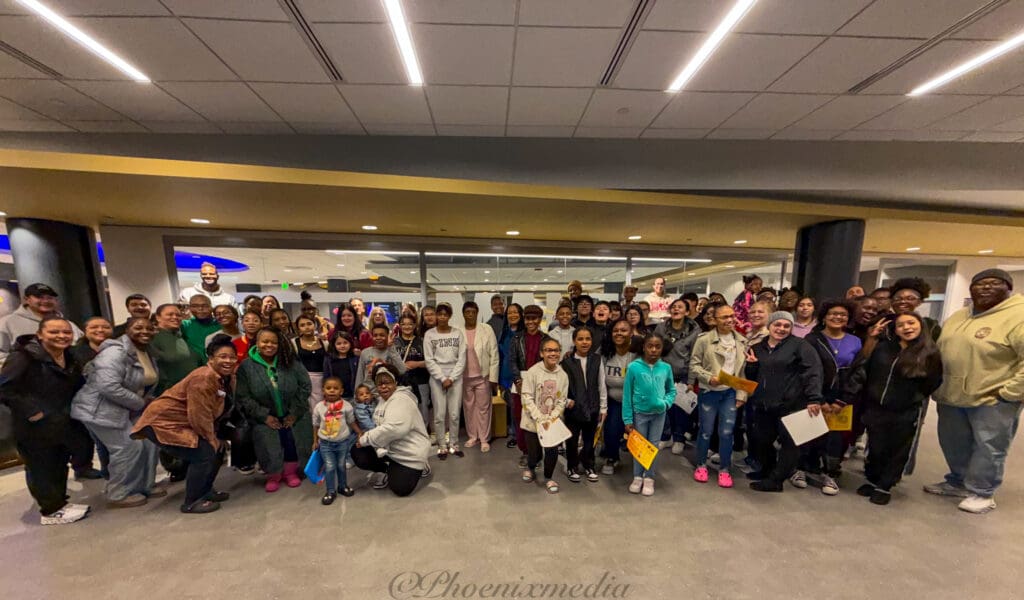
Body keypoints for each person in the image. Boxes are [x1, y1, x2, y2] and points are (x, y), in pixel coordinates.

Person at [926, 269, 1024, 514]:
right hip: (952, 394)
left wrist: (1010, 392)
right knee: (954, 443)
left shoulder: (1018, 316)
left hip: (992, 398)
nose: (986, 288)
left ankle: (983, 492)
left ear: (1008, 288)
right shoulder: (960, 315)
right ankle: (958, 481)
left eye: (994, 283)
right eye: (979, 284)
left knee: (989, 446)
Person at [0, 316, 94, 525]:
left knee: (58, 463)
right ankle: (50, 510)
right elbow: (5, 388)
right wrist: (32, 410)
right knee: (41, 467)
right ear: (40, 334)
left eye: (66, 332)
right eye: (54, 332)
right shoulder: (23, 357)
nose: (61, 336)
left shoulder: (69, 356)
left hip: (61, 422)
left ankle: (60, 503)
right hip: (33, 426)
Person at [131, 334, 239, 514]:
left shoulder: (226, 377)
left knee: (216, 451)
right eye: (222, 357)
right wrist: (211, 437)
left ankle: (205, 491)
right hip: (164, 423)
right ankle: (192, 501)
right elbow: (199, 413)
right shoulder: (203, 377)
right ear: (211, 359)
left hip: (186, 423)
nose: (228, 361)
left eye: (231, 357)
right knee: (204, 454)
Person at [846, 313, 941, 506]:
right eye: (900, 325)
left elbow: (933, 381)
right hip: (876, 407)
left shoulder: (929, 352)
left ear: (920, 325)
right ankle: (873, 480)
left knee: (898, 449)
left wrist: (912, 399)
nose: (906, 328)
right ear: (895, 330)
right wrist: (872, 338)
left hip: (904, 410)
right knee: (876, 446)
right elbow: (864, 367)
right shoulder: (883, 348)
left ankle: (885, 485)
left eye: (911, 323)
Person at [71, 317, 161, 508]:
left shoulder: (146, 352)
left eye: (149, 328)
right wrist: (139, 402)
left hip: (128, 409)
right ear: (126, 330)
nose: (144, 331)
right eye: (138, 327)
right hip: (100, 410)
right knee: (127, 448)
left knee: (149, 443)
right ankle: (119, 493)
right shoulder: (115, 352)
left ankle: (144, 486)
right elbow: (108, 386)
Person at [745, 311, 823, 493]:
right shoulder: (758, 348)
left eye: (786, 326)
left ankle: (776, 480)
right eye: (777, 325)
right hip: (764, 403)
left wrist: (814, 398)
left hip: (791, 404)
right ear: (769, 326)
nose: (781, 329)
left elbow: (813, 371)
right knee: (761, 440)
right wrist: (751, 366)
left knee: (790, 445)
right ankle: (768, 470)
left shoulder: (800, 346)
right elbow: (753, 377)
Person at [235, 327, 313, 493]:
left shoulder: (289, 361)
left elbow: (305, 386)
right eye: (265, 341)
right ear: (257, 343)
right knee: (269, 446)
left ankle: (291, 473)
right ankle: (274, 475)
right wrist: (264, 416)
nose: (269, 345)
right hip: (264, 416)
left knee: (291, 443)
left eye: (273, 342)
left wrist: (294, 412)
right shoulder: (246, 367)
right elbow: (243, 396)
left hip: (293, 413)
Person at [800, 301, 862, 495]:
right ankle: (802, 468)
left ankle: (830, 473)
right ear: (824, 317)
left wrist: (843, 400)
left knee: (835, 438)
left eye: (843, 314)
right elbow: (807, 369)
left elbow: (858, 372)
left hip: (842, 398)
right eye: (833, 313)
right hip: (815, 393)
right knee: (809, 433)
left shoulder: (855, 341)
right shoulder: (812, 339)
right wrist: (818, 398)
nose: (838, 317)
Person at [689, 304, 748, 489]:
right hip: (709, 392)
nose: (729, 320)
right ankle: (700, 464)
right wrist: (708, 377)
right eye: (724, 317)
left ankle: (724, 468)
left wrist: (742, 394)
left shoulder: (742, 341)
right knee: (705, 431)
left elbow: (743, 372)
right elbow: (694, 365)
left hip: (730, 392)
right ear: (714, 320)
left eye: (731, 316)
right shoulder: (704, 340)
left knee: (726, 432)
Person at [353, 364, 431, 496]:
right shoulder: (382, 400)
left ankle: (422, 465)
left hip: (410, 455)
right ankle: (388, 470)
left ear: (395, 382)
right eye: (379, 384)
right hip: (392, 451)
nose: (383, 386)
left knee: (400, 489)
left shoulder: (402, 400)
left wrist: (366, 438)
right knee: (358, 452)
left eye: (387, 382)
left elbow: (394, 429)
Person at [623, 334, 675, 496]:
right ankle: (637, 476)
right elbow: (627, 394)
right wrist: (628, 418)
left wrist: (666, 403)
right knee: (639, 446)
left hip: (659, 415)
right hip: (640, 414)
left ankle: (649, 477)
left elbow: (671, 390)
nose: (653, 350)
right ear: (643, 347)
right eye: (650, 346)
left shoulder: (666, 368)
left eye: (657, 347)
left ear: (662, 348)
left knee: (652, 446)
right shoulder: (633, 367)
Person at [520, 337, 568, 494]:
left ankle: (549, 477)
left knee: (552, 451)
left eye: (556, 350)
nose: (553, 353)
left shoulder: (563, 375)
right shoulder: (533, 372)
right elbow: (526, 397)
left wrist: (552, 417)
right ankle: (531, 467)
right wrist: (539, 417)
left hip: (552, 422)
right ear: (541, 353)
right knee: (534, 453)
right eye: (549, 350)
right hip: (532, 422)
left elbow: (562, 400)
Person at [654, 298, 699, 454]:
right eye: (673, 307)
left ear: (687, 312)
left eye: (680, 307)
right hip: (663, 374)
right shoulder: (661, 328)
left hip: (684, 375)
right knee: (664, 408)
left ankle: (679, 438)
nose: (676, 309)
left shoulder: (694, 331)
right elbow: (655, 350)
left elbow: (695, 357)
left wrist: (692, 381)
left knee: (680, 408)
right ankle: (666, 437)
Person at [561, 327, 606, 483]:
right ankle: (572, 466)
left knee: (590, 439)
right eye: (580, 339)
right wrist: (566, 402)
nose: (584, 342)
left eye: (587, 339)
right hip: (573, 408)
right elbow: (561, 387)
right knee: (572, 440)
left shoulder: (597, 359)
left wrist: (603, 407)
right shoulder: (566, 362)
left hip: (593, 406)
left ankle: (589, 465)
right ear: (574, 341)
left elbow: (601, 384)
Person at [0, 283, 82, 367]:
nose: (45, 301)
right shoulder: (6, 323)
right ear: (26, 299)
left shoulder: (68, 324)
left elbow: (80, 347)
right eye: (39, 297)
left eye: (50, 298)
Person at [509, 305, 552, 464]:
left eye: (534, 318)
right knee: (521, 419)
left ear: (540, 319)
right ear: (524, 319)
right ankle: (526, 452)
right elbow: (512, 361)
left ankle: (538, 452)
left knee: (539, 417)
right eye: (528, 318)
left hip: (540, 382)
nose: (531, 322)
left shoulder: (546, 339)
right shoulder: (516, 338)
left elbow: (549, 362)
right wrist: (518, 381)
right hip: (520, 382)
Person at [424, 303, 466, 459]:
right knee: (439, 415)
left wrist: (452, 377)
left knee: (454, 414)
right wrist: (442, 378)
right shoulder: (429, 334)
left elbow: (462, 359)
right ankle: (442, 446)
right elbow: (429, 360)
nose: (442, 317)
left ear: (449, 316)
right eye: (439, 314)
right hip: (437, 378)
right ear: (436, 315)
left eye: (445, 314)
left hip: (455, 376)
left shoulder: (458, 334)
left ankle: (454, 444)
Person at [311, 376, 362, 504]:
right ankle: (330, 491)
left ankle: (342, 486)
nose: (332, 391)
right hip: (326, 444)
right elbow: (315, 425)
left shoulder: (347, 406)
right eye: (328, 388)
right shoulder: (318, 407)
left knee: (341, 465)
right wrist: (315, 441)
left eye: (335, 388)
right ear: (323, 390)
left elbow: (351, 422)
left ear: (341, 391)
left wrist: (359, 432)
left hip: (342, 442)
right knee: (329, 466)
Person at [462, 301, 499, 453]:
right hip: (465, 377)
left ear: (477, 313)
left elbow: (494, 354)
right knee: (469, 408)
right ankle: (472, 436)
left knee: (483, 408)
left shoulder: (487, 329)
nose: (470, 314)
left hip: (482, 376)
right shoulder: (458, 331)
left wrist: (493, 378)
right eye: (467, 312)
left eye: (473, 312)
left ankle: (484, 438)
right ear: (463, 313)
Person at [600, 320, 636, 475]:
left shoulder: (639, 353)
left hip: (637, 402)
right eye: (616, 330)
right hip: (614, 399)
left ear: (631, 333)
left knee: (640, 433)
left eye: (623, 330)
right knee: (611, 430)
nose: (619, 333)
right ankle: (612, 457)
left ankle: (642, 463)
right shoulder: (604, 352)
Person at [150, 304, 203, 396]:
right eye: (170, 314)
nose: (175, 317)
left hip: (192, 390)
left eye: (178, 315)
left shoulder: (180, 336)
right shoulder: (153, 337)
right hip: (170, 393)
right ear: (158, 317)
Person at [394, 315, 430, 430]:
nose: (407, 326)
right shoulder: (395, 342)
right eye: (403, 324)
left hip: (421, 381)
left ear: (414, 325)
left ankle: (423, 432)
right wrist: (400, 366)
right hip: (401, 382)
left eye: (410, 324)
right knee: (402, 409)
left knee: (422, 408)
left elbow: (431, 361)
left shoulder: (422, 341)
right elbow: (389, 361)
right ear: (399, 325)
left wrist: (417, 364)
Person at [354, 323, 408, 396]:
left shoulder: (392, 351)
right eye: (375, 335)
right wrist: (357, 395)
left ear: (387, 336)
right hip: (368, 395)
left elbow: (402, 370)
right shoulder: (365, 352)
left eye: (382, 335)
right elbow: (360, 376)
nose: (378, 338)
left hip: (387, 394)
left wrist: (391, 347)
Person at [499, 303, 523, 448]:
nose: (512, 315)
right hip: (506, 376)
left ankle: (522, 435)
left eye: (515, 312)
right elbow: (500, 357)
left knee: (521, 407)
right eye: (509, 313)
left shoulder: (525, 333)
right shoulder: (504, 333)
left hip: (521, 376)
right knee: (512, 408)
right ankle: (515, 434)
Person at [294, 315, 329, 414]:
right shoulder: (293, 343)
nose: (307, 327)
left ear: (315, 325)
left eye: (309, 324)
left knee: (323, 411)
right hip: (303, 382)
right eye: (302, 325)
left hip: (322, 380)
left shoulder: (324, 342)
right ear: (298, 328)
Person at [181, 295, 221, 360]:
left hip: (218, 366)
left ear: (211, 307)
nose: (200, 309)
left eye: (204, 306)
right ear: (190, 308)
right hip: (194, 367)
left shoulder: (221, 324)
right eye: (195, 306)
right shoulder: (185, 325)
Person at [323, 330, 359, 400]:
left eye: (345, 343)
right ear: (334, 345)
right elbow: (326, 377)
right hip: (335, 395)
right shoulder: (329, 359)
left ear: (350, 343)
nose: (342, 346)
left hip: (351, 395)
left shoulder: (355, 358)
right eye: (339, 344)